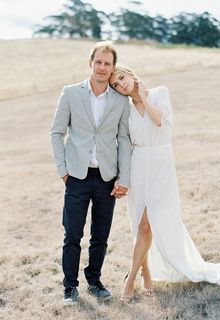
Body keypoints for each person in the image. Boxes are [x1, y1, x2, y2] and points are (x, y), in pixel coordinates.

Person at [109, 66, 220, 302]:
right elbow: (125, 144)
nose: (121, 84)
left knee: (150, 223)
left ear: (131, 75)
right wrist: (122, 177)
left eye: (122, 78)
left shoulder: (159, 93)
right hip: (139, 166)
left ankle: (130, 279)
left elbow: (158, 121)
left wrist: (143, 96)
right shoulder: (124, 111)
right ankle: (145, 273)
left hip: (161, 164)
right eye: (115, 84)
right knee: (141, 226)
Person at [50, 42, 131, 305]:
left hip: (107, 177)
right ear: (90, 63)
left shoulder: (120, 100)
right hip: (77, 176)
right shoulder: (71, 93)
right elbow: (56, 133)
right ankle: (70, 286)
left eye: (108, 64)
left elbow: (124, 139)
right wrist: (64, 171)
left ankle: (94, 281)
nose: (103, 67)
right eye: (99, 62)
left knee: (101, 235)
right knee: (72, 234)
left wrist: (124, 177)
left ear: (112, 67)